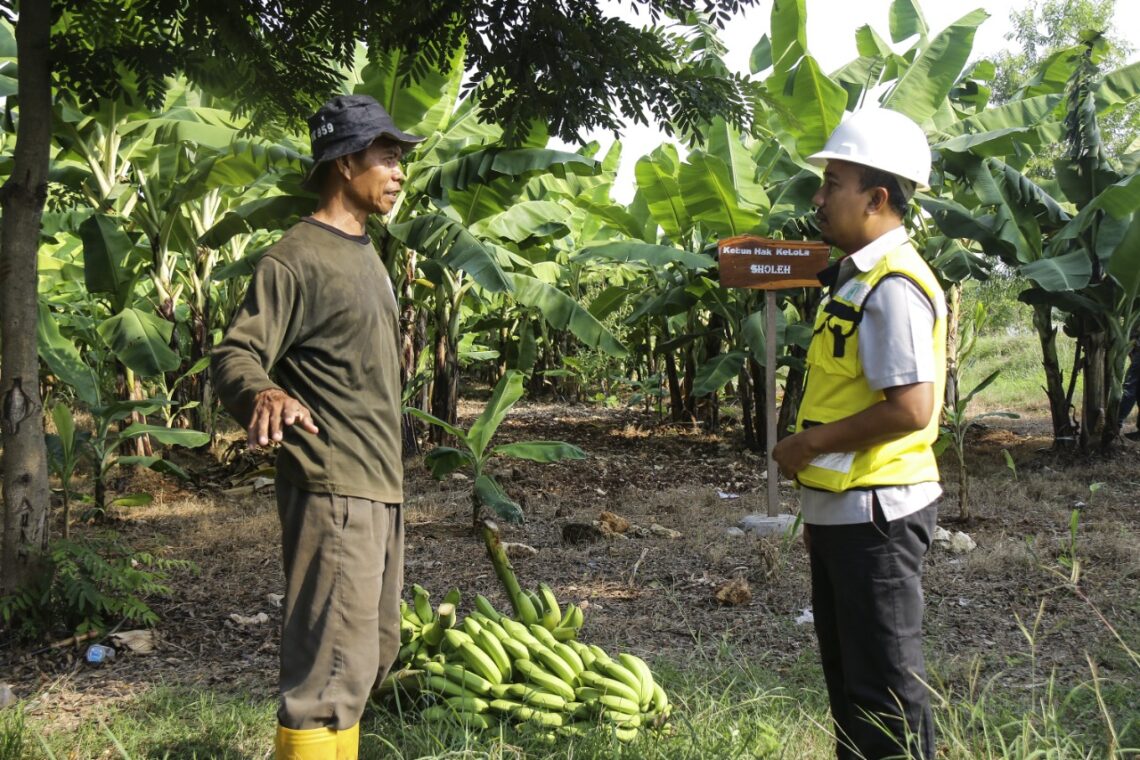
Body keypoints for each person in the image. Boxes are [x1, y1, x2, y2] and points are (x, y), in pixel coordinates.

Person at [212, 94, 423, 760]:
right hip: (333, 483)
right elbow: (234, 353)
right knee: (327, 673)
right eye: (387, 156)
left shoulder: (367, 253)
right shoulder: (296, 258)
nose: (398, 172)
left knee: (368, 655)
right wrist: (264, 392)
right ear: (344, 162)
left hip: (377, 482)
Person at [772, 108, 944, 760]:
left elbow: (911, 407)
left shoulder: (893, 284)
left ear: (876, 199)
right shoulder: (857, 277)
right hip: (848, 509)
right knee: (851, 690)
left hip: (879, 514)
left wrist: (808, 446)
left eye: (832, 182)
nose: (818, 198)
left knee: (884, 696)